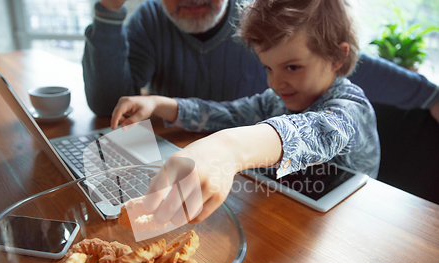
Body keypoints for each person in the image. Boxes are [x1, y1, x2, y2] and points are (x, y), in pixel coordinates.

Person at [109, 0, 380, 225]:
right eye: (268, 68)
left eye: (292, 67)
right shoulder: (274, 100)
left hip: (344, 233)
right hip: (284, 217)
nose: (275, 83)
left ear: (337, 58)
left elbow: (315, 131)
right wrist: (160, 104)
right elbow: (227, 113)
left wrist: (229, 148)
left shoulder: (351, 108)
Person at [83, 0, 439, 121]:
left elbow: (354, 66)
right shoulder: (148, 20)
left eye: (289, 68)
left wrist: (430, 95)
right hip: (189, 169)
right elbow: (105, 107)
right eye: (268, 68)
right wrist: (109, 12)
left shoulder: (264, 18)